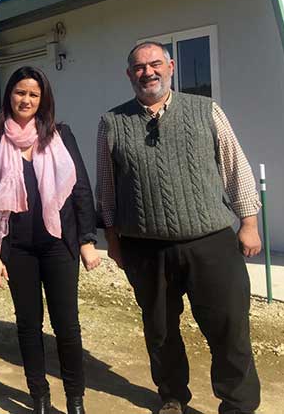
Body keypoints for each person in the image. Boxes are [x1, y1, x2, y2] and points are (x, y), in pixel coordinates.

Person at [97, 41, 262, 414]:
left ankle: (238, 404)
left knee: (228, 327)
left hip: (210, 243)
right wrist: (112, 238)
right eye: (139, 67)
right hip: (145, 248)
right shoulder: (111, 122)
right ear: (129, 75)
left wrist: (248, 221)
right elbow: (107, 188)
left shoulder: (206, 110)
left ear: (170, 67)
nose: (148, 72)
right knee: (161, 331)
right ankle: (172, 398)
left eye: (155, 64)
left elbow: (236, 167)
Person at [0, 66, 100, 414]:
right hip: (18, 249)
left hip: (59, 245)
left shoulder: (60, 135)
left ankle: (75, 400)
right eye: (20, 92)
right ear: (9, 96)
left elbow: (81, 190)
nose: (25, 99)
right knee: (29, 325)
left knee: (67, 326)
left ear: (42, 99)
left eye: (33, 94)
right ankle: (39, 397)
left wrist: (87, 240)